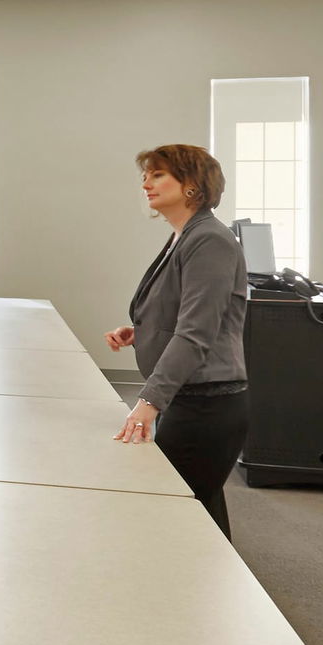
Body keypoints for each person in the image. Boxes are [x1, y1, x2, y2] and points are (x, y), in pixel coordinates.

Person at [105, 144, 249, 538]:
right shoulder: (186, 235)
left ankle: (205, 594)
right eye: (146, 175)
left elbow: (197, 332)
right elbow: (187, 314)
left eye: (157, 175)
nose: (145, 183)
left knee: (180, 515)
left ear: (191, 185)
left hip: (207, 403)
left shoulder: (210, 240)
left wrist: (148, 402)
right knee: (198, 511)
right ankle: (220, 592)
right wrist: (143, 331)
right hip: (194, 398)